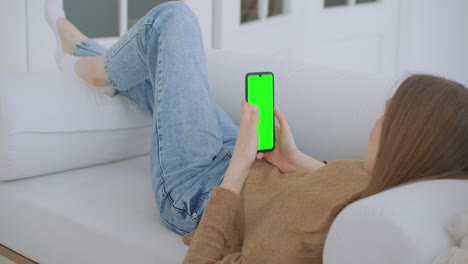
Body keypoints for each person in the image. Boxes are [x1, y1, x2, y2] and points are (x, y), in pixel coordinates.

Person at [45, 1, 468, 263]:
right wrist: (296, 158)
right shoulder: (384, 181)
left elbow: (204, 261)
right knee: (164, 73)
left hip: (199, 191)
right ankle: (84, 51)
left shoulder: (306, 242)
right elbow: (334, 183)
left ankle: (94, 68)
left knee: (173, 21)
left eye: (390, 116)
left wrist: (240, 164)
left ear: (414, 142)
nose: (379, 116)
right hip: (245, 160)